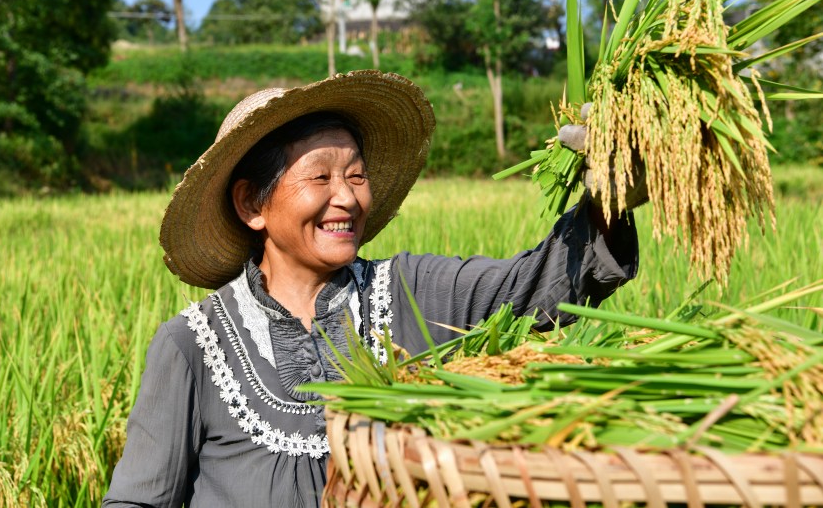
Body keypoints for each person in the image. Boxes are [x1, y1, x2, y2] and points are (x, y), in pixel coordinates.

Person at [103, 71, 642, 507]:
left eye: (356, 177)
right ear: (252, 205)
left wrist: (609, 202)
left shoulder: (411, 293)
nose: (346, 198)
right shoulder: (193, 347)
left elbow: (532, 288)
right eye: (319, 178)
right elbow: (138, 501)